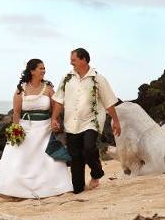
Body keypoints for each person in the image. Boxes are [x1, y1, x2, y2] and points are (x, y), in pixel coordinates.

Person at [0, 59, 73, 199]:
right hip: (26, 128)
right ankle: (16, 191)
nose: (44, 70)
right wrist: (16, 129)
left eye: (44, 68)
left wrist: (54, 120)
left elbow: (56, 107)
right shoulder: (21, 89)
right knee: (20, 159)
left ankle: (56, 189)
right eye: (40, 68)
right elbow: (16, 112)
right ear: (32, 71)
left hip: (44, 129)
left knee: (49, 160)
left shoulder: (48, 88)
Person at [51, 48, 121, 194]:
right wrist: (54, 118)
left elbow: (109, 102)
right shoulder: (67, 78)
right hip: (71, 123)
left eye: (74, 59)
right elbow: (58, 100)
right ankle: (78, 188)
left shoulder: (98, 79)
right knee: (75, 157)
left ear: (83, 60)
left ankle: (96, 173)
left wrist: (115, 121)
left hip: (91, 121)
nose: (71, 62)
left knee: (89, 148)